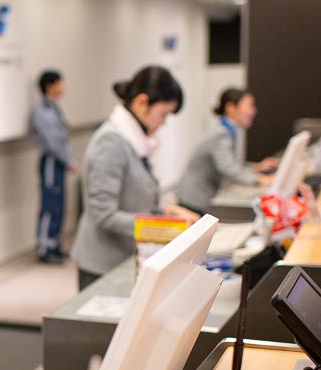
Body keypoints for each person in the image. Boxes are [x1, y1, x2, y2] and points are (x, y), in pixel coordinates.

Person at [71, 66, 198, 290]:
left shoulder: (135, 141)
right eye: (163, 114)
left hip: (125, 258)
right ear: (141, 102)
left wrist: (169, 211)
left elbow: (138, 196)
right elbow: (104, 215)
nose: (164, 122)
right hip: (103, 265)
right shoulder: (110, 142)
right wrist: (166, 228)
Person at [175, 88, 280, 214]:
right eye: (249, 106)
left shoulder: (228, 130)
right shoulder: (221, 133)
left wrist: (257, 167)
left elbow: (231, 163)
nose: (253, 111)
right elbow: (228, 167)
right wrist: (259, 179)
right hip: (194, 198)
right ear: (231, 107)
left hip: (198, 195)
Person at [30, 70, 78, 264]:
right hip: (51, 161)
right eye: (59, 83)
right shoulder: (42, 111)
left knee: (59, 206)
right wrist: (68, 160)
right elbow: (52, 142)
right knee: (50, 206)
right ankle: (44, 248)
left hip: (58, 162)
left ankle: (55, 245)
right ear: (50, 86)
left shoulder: (53, 108)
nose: (63, 87)